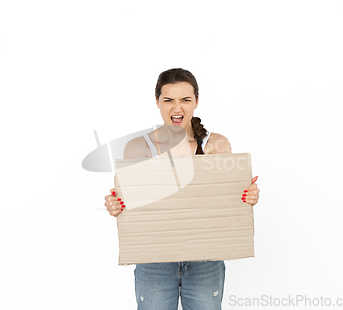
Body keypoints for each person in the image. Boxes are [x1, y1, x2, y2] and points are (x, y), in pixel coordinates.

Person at [104, 68, 260, 310]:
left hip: (205, 260)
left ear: (197, 101)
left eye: (185, 100)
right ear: (157, 101)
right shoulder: (139, 148)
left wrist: (247, 196)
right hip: (153, 260)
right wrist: (117, 206)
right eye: (169, 100)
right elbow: (131, 205)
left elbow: (228, 200)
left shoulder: (216, 144)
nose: (177, 109)